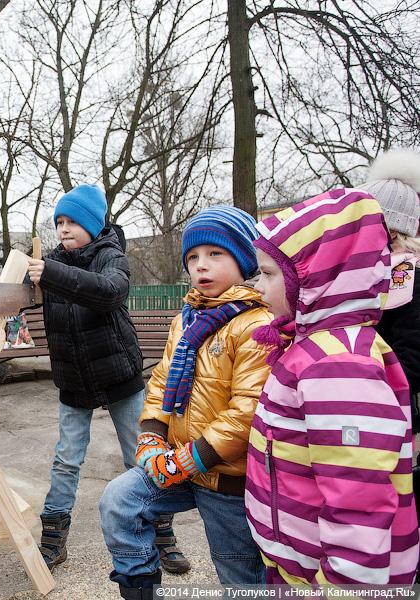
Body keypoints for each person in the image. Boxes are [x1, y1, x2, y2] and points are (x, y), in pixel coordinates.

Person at [245, 188, 419, 585]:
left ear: (317, 277)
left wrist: (344, 585)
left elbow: (359, 501)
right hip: (297, 565)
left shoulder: (338, 366)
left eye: (269, 274)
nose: (257, 286)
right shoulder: (312, 347)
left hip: (323, 579)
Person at [99, 205, 272, 597]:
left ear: (245, 260)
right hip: (176, 464)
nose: (201, 265)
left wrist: (191, 458)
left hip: (226, 477)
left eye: (215, 254)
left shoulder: (256, 324)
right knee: (120, 501)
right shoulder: (187, 319)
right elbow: (161, 381)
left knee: (238, 573)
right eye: (192, 257)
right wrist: (151, 437)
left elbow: (248, 411)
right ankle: (141, 588)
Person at [26, 184, 145, 570]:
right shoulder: (49, 262)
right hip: (73, 378)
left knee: (139, 456)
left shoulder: (111, 256)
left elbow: (109, 292)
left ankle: (158, 529)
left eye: (72, 221)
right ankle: (54, 535)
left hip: (119, 374)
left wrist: (51, 274)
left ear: (93, 225)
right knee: (66, 459)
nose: (63, 228)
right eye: (59, 221)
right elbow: (19, 297)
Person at [369, 150, 420, 436]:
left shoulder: (408, 277)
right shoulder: (373, 271)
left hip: (387, 411)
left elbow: (411, 355)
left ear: (390, 231)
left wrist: (367, 390)